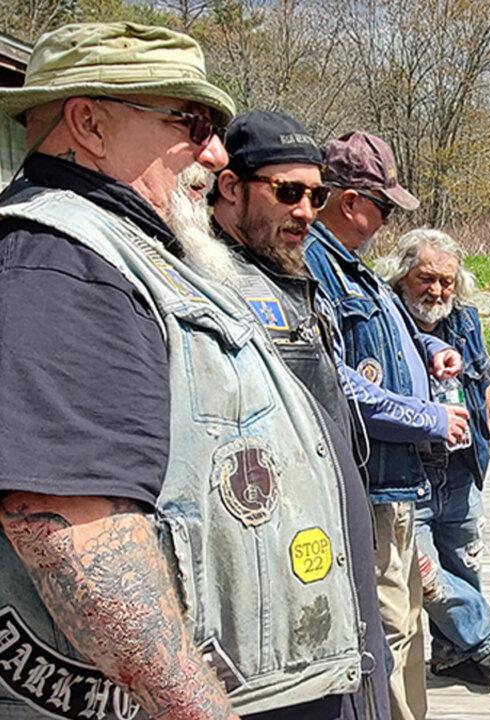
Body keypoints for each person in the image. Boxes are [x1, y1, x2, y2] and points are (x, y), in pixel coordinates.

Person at [0, 22, 389, 720]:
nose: (214, 151)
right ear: (88, 122)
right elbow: (72, 530)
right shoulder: (62, 262)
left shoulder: (130, 247)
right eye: (191, 122)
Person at [304, 131, 473, 720]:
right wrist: (430, 417)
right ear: (351, 203)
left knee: (409, 626)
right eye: (381, 206)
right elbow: (335, 380)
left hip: (398, 487)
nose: (383, 221)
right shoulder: (315, 265)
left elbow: (382, 337)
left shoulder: (353, 268)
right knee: (389, 630)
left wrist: (426, 348)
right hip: (373, 486)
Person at [380, 228, 490, 686]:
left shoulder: (466, 320)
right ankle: (484, 639)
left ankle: (457, 652)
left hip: (460, 470)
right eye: (426, 279)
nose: (437, 291)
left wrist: (482, 450)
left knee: (463, 567)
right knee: (424, 576)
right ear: (401, 277)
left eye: (446, 282)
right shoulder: (385, 320)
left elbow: (485, 386)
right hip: (407, 475)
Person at [209, 110, 350, 432]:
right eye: (287, 192)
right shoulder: (205, 281)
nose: (306, 212)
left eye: (317, 196)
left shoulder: (288, 270)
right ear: (231, 187)